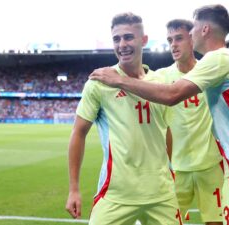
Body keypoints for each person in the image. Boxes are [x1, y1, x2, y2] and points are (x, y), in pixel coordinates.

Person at [89, 4, 229, 225]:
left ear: (205, 29)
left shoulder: (216, 60)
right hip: (223, 167)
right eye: (170, 40)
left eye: (191, 30)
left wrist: (119, 79)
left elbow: (171, 95)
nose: (190, 34)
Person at [65, 12, 182, 225]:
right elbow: (78, 133)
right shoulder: (99, 83)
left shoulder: (162, 82)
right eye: (116, 39)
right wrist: (74, 189)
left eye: (128, 37)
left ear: (144, 40)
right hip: (116, 194)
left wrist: (167, 169)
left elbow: (167, 131)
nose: (122, 44)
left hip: (161, 193)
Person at [157, 19, 229, 225]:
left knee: (217, 222)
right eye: (169, 40)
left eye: (179, 38)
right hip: (176, 168)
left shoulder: (214, 69)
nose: (173, 44)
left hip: (211, 165)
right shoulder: (162, 77)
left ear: (192, 39)